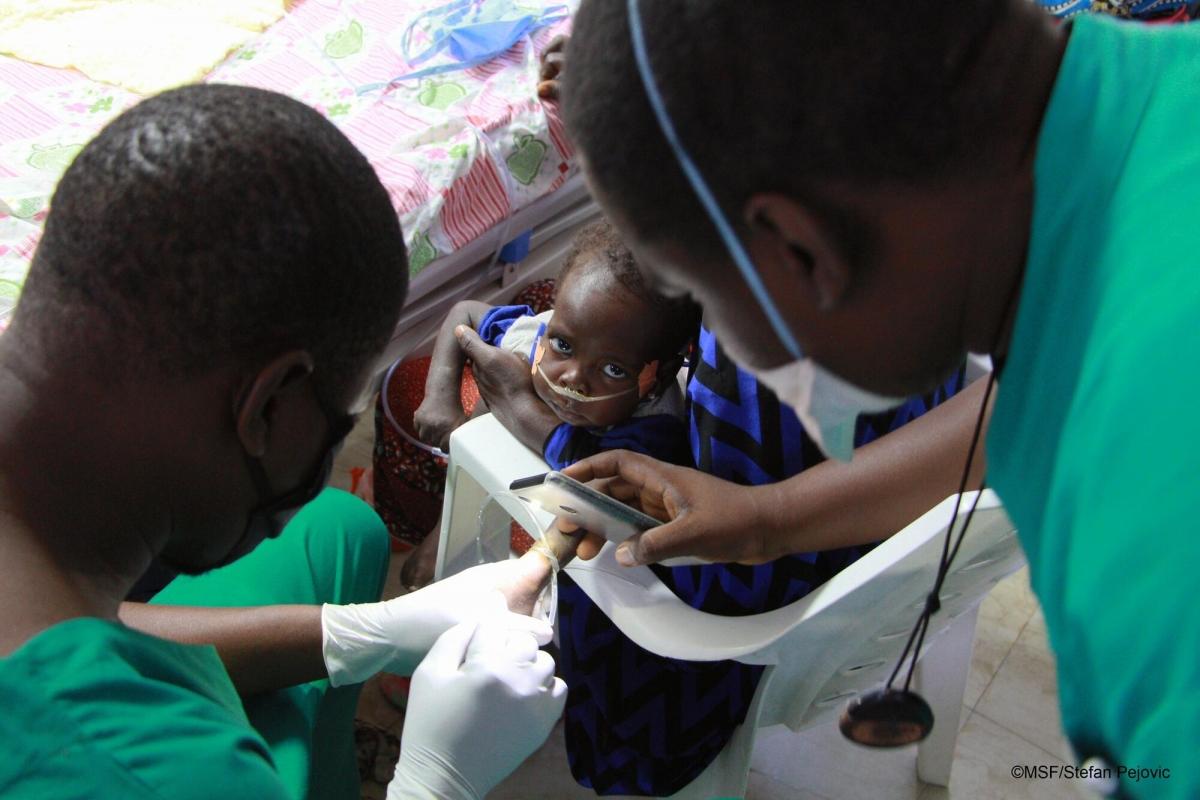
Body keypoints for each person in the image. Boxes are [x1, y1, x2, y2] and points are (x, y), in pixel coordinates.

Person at [554, 1, 1200, 797]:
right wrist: (770, 519)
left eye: (699, 297)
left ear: (799, 249)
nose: (715, 341)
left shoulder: (1153, 556)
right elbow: (1019, 396)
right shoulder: (1141, 120)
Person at [0, 84, 565, 800]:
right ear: (267, 404)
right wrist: (435, 781)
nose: (332, 454)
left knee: (338, 529)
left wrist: (365, 631)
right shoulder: (166, 771)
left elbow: (68, 619)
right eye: (336, 423)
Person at [399, 220, 698, 589]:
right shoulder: (542, 337)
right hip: (500, 472)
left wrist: (522, 407)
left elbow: (599, 482)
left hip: (582, 540)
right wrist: (440, 396)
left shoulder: (655, 430)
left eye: (612, 369)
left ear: (661, 376)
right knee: (509, 364)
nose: (571, 377)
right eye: (565, 346)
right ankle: (445, 526)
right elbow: (465, 314)